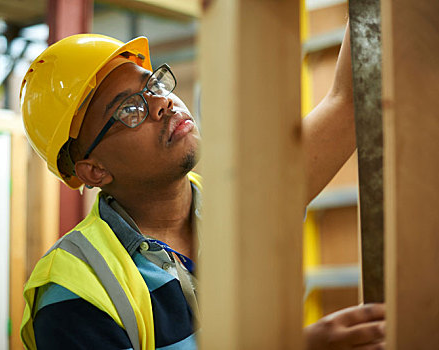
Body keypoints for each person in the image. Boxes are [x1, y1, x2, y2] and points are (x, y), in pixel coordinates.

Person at [19, 24, 385, 350]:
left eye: (153, 84)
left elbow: (349, 101)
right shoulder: (74, 286)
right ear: (94, 170)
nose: (162, 103)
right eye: (130, 109)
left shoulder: (236, 205)